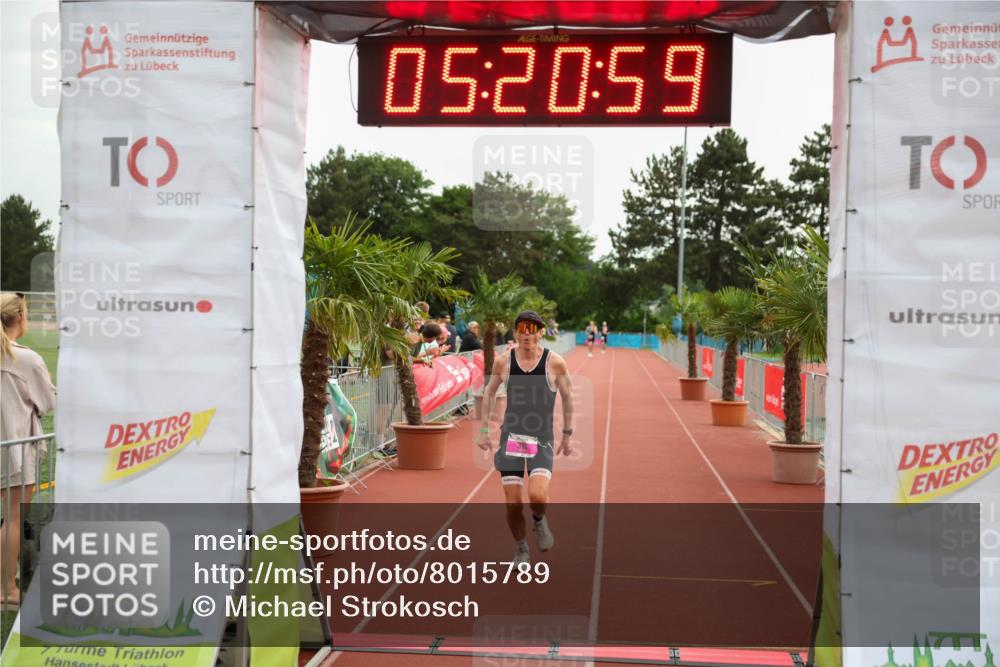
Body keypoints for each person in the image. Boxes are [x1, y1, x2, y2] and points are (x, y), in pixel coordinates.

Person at [476, 311, 574, 565]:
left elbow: (568, 397)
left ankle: (540, 521)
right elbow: (489, 393)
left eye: (532, 329)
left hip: (541, 438)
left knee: (538, 497)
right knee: (513, 503)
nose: (527, 334)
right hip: (512, 438)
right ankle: (521, 549)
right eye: (522, 329)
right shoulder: (504, 362)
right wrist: (484, 431)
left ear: (541, 332)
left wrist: (567, 434)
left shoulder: (555, 363)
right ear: (516, 333)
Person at [1, 292, 56, 605]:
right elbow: (48, 402)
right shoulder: (26, 359)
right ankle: (6, 588)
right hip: (14, 449)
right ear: (19, 317)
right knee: (12, 517)